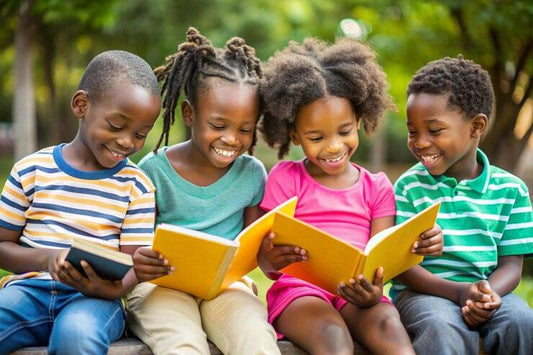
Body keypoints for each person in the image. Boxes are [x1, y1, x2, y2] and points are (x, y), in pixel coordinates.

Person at [257, 37, 443, 355]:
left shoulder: (377, 187)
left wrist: (373, 291)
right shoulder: (286, 178)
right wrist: (271, 257)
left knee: (389, 327)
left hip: (358, 293)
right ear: (295, 136)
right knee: (333, 338)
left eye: (344, 131)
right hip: (300, 293)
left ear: (358, 121)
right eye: (316, 137)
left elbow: (378, 256)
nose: (333, 146)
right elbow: (265, 260)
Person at [126, 28, 286, 355]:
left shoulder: (251, 173)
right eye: (218, 125)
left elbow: (253, 248)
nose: (232, 139)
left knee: (256, 340)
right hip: (163, 286)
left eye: (245, 129)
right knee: (182, 344)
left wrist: (272, 255)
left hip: (226, 287)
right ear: (189, 114)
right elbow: (136, 245)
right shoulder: (155, 170)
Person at [0, 50, 167, 354]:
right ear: (81, 105)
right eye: (116, 126)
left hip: (95, 302)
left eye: (141, 134)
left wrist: (113, 288)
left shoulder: (137, 186)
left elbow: (133, 264)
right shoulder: (30, 170)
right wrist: (46, 259)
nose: (128, 142)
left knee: (76, 337)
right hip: (27, 292)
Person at [391, 55, 533, 354]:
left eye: (434, 130)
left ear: (476, 126)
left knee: (522, 322)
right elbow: (402, 268)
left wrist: (485, 295)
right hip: (423, 293)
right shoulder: (409, 187)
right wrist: (458, 292)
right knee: (442, 326)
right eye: (412, 131)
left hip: (488, 291)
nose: (420, 142)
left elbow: (511, 266)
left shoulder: (511, 190)